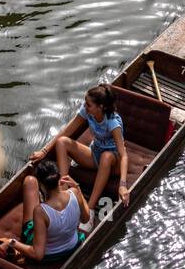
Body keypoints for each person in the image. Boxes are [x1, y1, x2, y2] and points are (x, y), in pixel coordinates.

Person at [30, 84, 129, 212]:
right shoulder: (88, 112)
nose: (85, 106)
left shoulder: (112, 123)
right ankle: (63, 192)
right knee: (62, 142)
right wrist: (44, 151)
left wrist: (122, 185)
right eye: (85, 103)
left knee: (106, 156)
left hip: (113, 163)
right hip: (95, 155)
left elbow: (123, 155)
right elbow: (67, 130)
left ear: (101, 107)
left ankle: (90, 209)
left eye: (88, 104)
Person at [0, 159, 89, 267]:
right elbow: (85, 219)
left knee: (29, 181)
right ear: (59, 177)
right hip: (72, 245)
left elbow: (38, 254)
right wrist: (77, 188)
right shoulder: (75, 193)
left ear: (42, 185)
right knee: (31, 182)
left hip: (50, 256)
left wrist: (11, 242)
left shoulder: (41, 211)